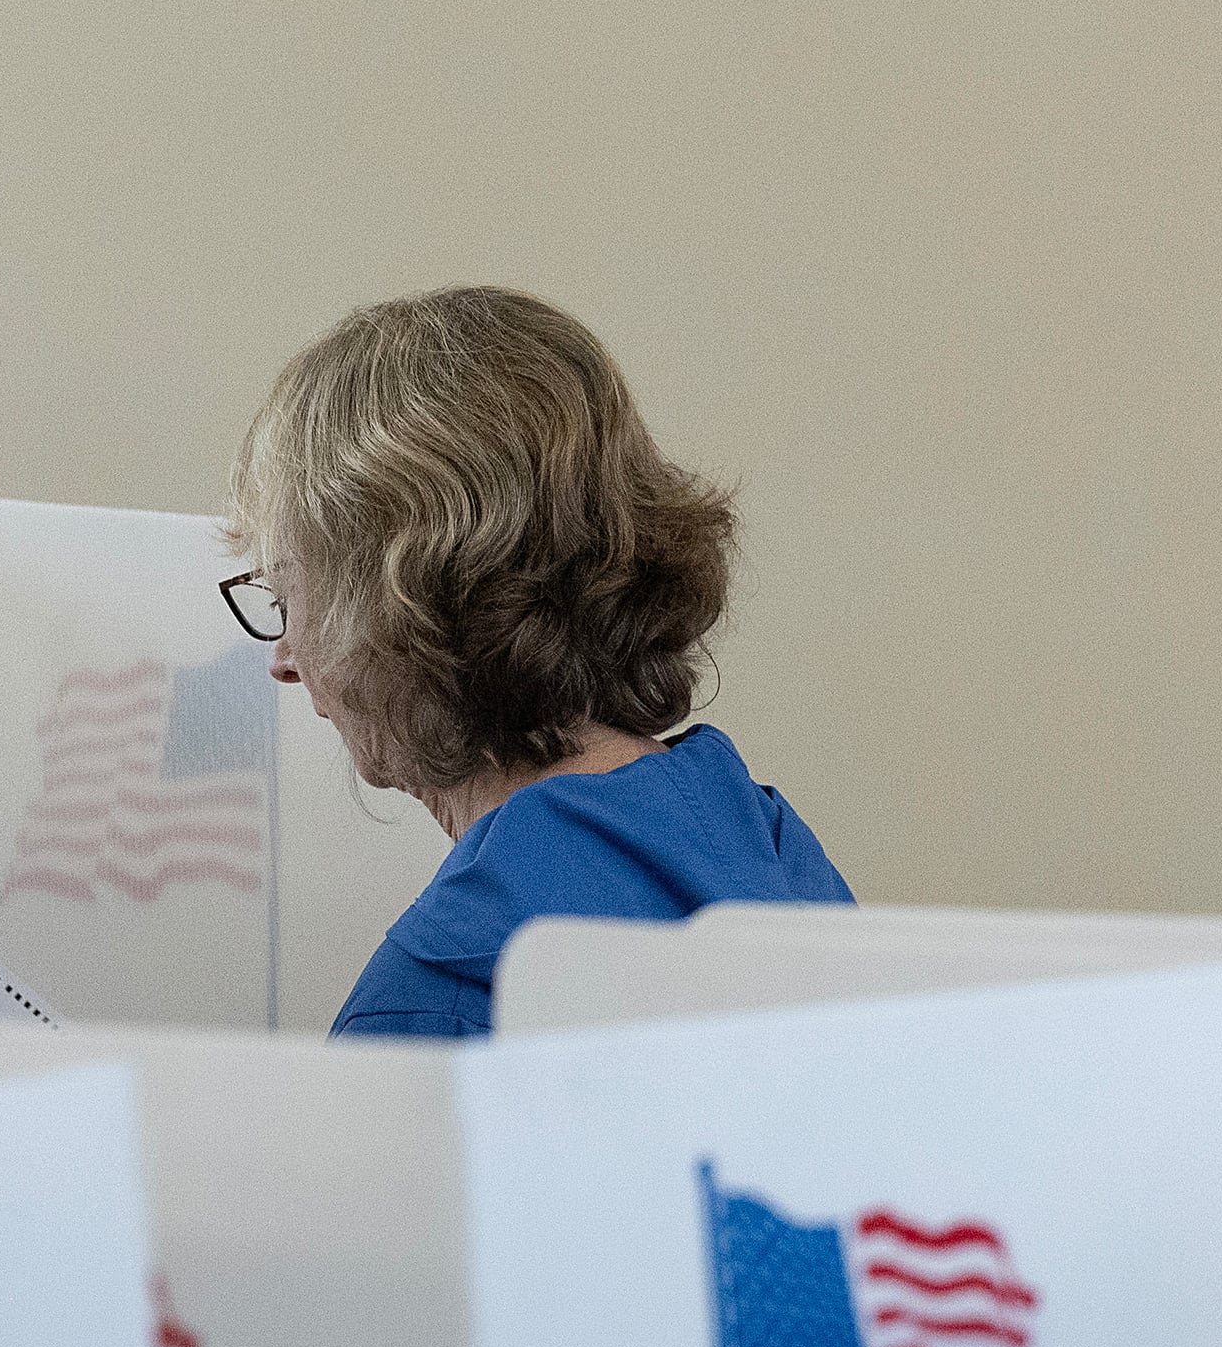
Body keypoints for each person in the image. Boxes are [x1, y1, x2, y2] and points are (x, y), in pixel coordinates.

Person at [222, 287, 854, 1038]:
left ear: (395, 612)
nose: (285, 660)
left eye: (287, 601)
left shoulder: (433, 1008)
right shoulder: (781, 859)